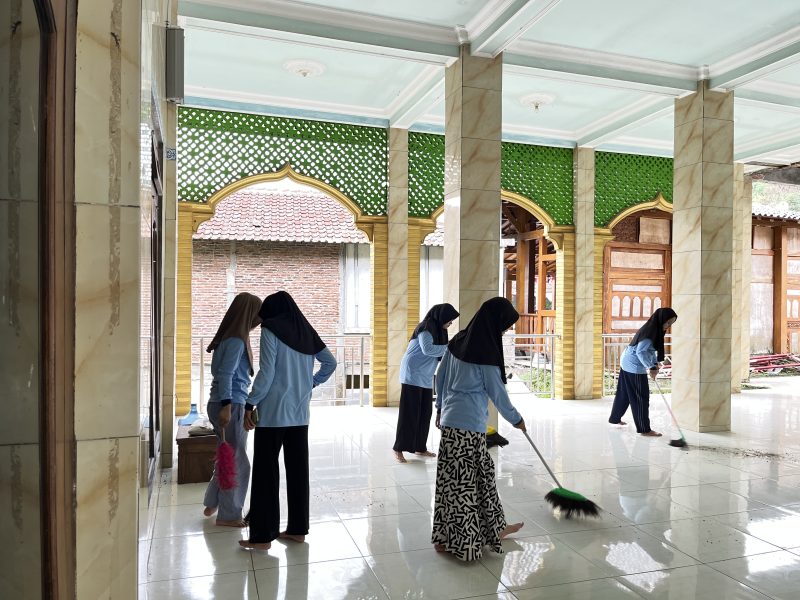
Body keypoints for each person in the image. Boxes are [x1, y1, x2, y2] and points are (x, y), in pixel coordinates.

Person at [239, 291, 336, 551]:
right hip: (299, 413)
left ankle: (262, 537)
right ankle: (297, 530)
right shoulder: (306, 331)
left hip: (272, 414)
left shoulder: (270, 331)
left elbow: (267, 372)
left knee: (265, 473)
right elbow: (330, 363)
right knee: (297, 471)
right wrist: (310, 383)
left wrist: (250, 401)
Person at [432, 297, 525, 562]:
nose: (504, 331)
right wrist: (516, 419)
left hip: (450, 423)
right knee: (469, 484)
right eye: (504, 327)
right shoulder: (486, 353)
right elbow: (498, 394)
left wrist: (439, 409)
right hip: (470, 426)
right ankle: (465, 543)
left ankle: (446, 538)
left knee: (452, 481)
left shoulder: (457, 342)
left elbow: (440, 378)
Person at [202, 292, 263, 527]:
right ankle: (229, 514)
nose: (259, 320)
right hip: (230, 404)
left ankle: (214, 502)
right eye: (257, 314)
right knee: (237, 461)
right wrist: (228, 407)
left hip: (221, 402)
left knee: (226, 455)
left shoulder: (228, 337)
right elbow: (226, 375)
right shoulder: (237, 340)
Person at [393, 303, 459, 463]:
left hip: (425, 375)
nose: (450, 324)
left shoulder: (440, 331)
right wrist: (451, 348)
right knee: (409, 413)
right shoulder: (426, 327)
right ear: (441, 317)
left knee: (425, 413)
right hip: (412, 372)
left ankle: (419, 447)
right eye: (449, 320)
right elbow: (428, 349)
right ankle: (398, 448)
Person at [608, 307, 678, 436]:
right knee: (641, 397)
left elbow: (649, 351)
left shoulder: (653, 329)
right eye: (667, 322)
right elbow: (641, 351)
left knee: (624, 393)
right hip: (633, 365)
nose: (668, 326)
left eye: (671, 323)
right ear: (661, 320)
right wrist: (651, 367)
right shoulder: (650, 333)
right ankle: (644, 429)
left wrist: (654, 365)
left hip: (627, 361)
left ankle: (615, 418)